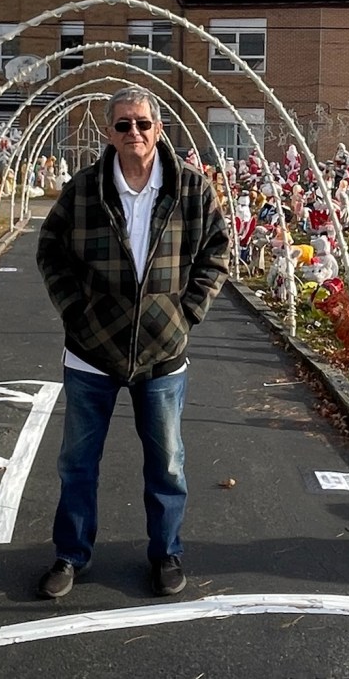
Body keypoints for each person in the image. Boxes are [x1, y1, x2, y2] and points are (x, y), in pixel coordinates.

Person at [35, 86, 230, 601]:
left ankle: (166, 552)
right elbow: (50, 252)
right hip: (91, 351)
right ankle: (69, 554)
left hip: (163, 353)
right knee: (77, 462)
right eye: (122, 125)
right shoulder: (84, 190)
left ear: (159, 128)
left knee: (167, 462)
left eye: (142, 123)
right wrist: (75, 311)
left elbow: (216, 249)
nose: (134, 133)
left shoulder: (189, 188)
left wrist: (188, 312)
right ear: (109, 132)